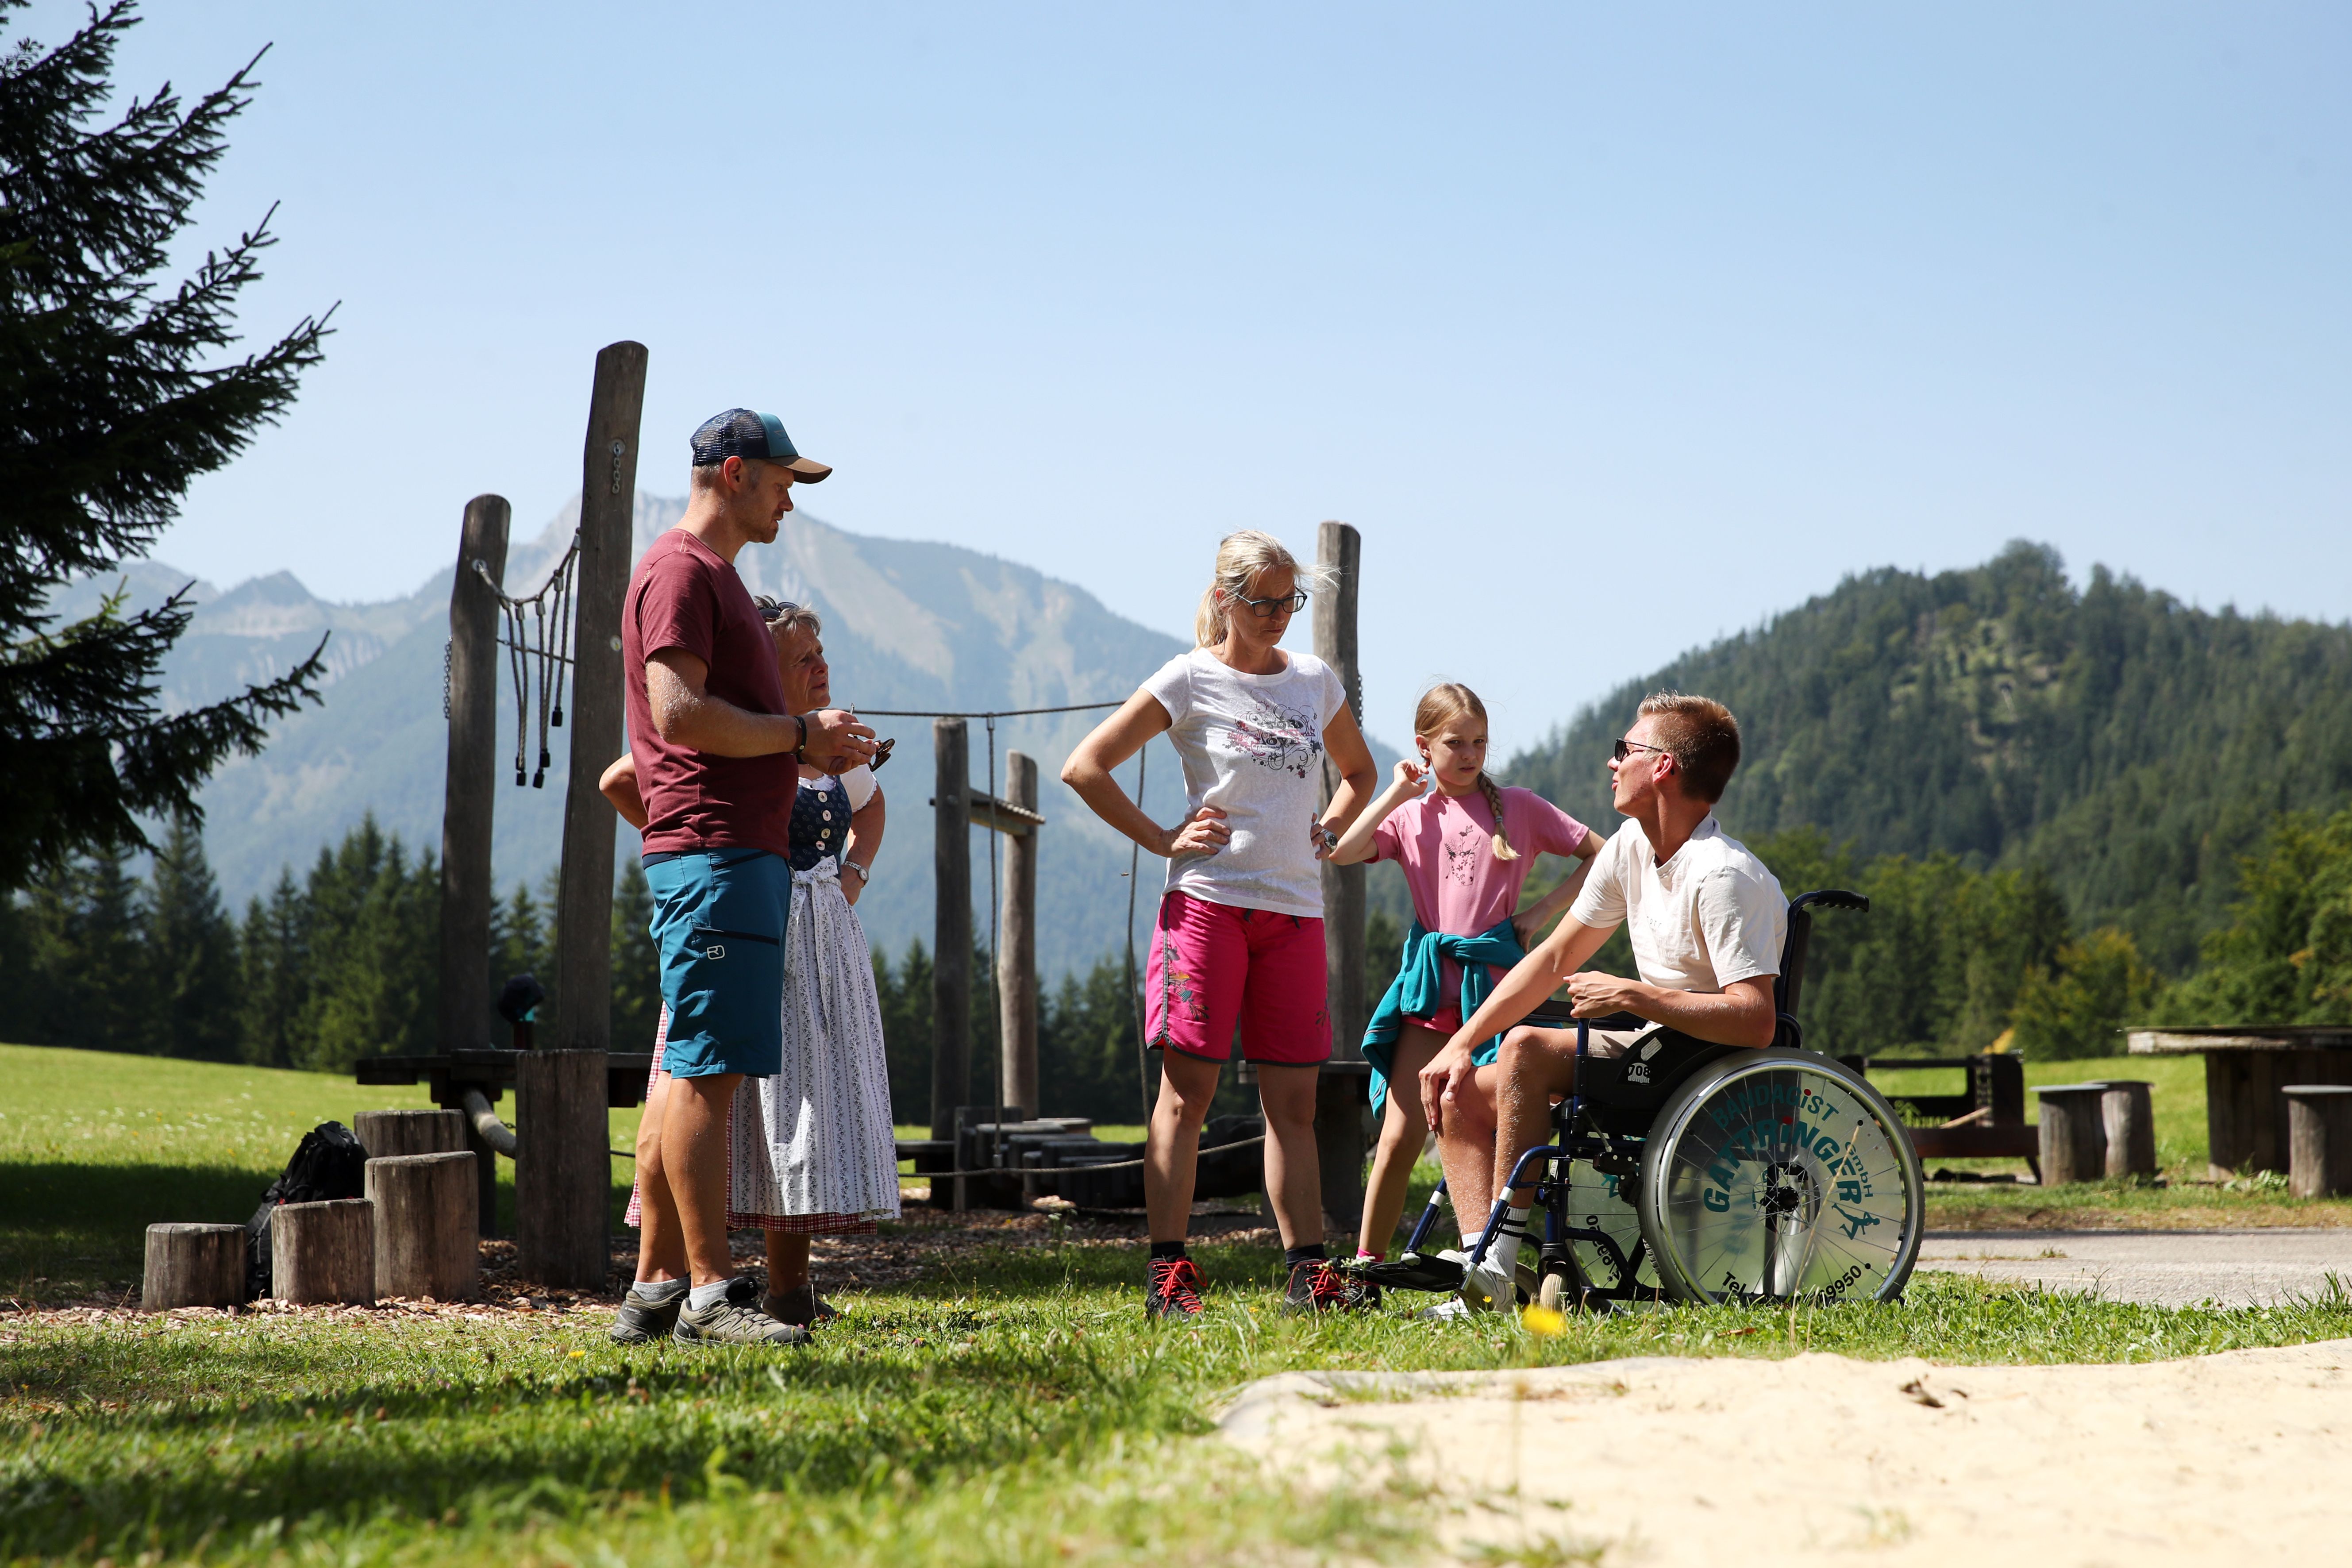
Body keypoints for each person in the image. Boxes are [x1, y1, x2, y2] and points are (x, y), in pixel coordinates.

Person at [1062, 530, 1380, 1321]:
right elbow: (1085, 766)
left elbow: (1361, 773)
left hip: (1296, 913)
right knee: (1187, 1097)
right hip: (1206, 907)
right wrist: (1163, 838)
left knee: (1295, 1108)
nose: (1278, 617)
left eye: (1289, 602)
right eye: (1262, 602)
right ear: (1223, 599)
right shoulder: (1190, 679)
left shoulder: (1314, 681)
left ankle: (1309, 1274)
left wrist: (1332, 824)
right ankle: (1169, 1275)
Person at [608, 407, 875, 1347]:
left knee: (705, 1068)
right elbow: (679, 714)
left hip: (736, 853)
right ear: (733, 473)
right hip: (715, 851)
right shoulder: (683, 569)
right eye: (781, 483)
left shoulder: (713, 576)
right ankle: (709, 1296)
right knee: (702, 1072)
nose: (789, 503)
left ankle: (656, 1298)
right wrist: (802, 736)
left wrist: (807, 745)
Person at [1419, 691, 1785, 1316]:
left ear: (1663, 765)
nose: (1612, 764)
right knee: (1455, 1091)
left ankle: (1497, 1268)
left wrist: (1634, 993)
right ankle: (1489, 1273)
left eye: (1625, 751)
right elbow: (1554, 960)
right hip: (1652, 1049)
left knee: (1528, 1047)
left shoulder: (1724, 875)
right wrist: (1456, 1044)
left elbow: (1756, 1019)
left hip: (1700, 1066)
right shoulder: (1629, 847)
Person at [1321, 683, 1600, 1282]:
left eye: (1479, 742)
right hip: (1429, 992)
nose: (1470, 754)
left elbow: (1604, 855)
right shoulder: (1411, 814)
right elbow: (1341, 851)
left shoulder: (1521, 807)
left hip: (1497, 990)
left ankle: (1496, 1256)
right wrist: (1396, 788)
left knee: (1498, 1119)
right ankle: (1368, 1267)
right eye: (1455, 743)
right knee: (1399, 1135)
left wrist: (1539, 913)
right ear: (1424, 746)